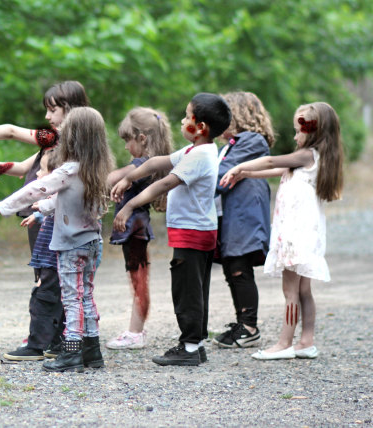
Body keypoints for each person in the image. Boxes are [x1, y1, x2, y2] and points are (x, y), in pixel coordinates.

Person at [0, 81, 89, 355]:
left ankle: (44, 340)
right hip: (38, 215)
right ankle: (56, 338)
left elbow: (11, 131)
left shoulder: (71, 143)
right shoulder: (52, 138)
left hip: (52, 216)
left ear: (71, 109)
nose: (47, 117)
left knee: (50, 279)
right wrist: (5, 168)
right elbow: (28, 168)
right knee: (47, 276)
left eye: (53, 110)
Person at [0, 107, 115, 372]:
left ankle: (72, 353)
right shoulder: (96, 168)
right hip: (92, 243)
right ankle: (93, 350)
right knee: (86, 297)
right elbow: (67, 198)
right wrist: (44, 208)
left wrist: (5, 205)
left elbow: (36, 188)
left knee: (71, 299)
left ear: (72, 138)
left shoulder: (68, 169)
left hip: (71, 245)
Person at [112, 93, 231, 366]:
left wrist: (129, 207)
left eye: (187, 116)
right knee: (195, 288)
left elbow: (165, 183)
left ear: (200, 127)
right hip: (197, 230)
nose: (181, 121)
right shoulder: (195, 151)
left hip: (192, 232)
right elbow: (157, 163)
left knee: (187, 290)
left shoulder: (200, 155)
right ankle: (195, 344)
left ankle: (189, 348)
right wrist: (129, 178)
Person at [220, 102, 344, 360]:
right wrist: (244, 174)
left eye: (299, 131)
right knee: (303, 291)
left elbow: (270, 160)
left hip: (295, 236)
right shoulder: (310, 159)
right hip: (304, 235)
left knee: (290, 292)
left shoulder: (307, 155)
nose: (295, 136)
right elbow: (275, 170)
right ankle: (305, 342)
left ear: (313, 131)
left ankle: (284, 343)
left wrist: (236, 167)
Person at [105, 107, 173, 350]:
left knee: (139, 279)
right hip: (136, 228)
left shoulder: (142, 165)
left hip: (135, 228)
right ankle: (136, 330)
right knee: (137, 277)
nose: (125, 146)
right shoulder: (147, 164)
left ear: (142, 138)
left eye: (127, 140)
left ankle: (136, 332)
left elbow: (112, 178)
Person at [211, 92, 275, 349]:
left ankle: (249, 326)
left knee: (239, 268)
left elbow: (221, 175)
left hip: (244, 216)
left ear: (236, 114)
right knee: (232, 268)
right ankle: (243, 322)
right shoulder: (231, 144)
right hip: (232, 216)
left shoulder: (251, 141)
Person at [3, 150, 64, 361]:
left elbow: (53, 206)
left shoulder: (60, 196)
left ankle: (37, 345)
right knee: (58, 297)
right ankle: (58, 343)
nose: (37, 174)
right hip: (50, 258)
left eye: (42, 169)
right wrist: (37, 216)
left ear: (56, 176)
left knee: (44, 296)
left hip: (54, 258)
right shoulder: (58, 197)